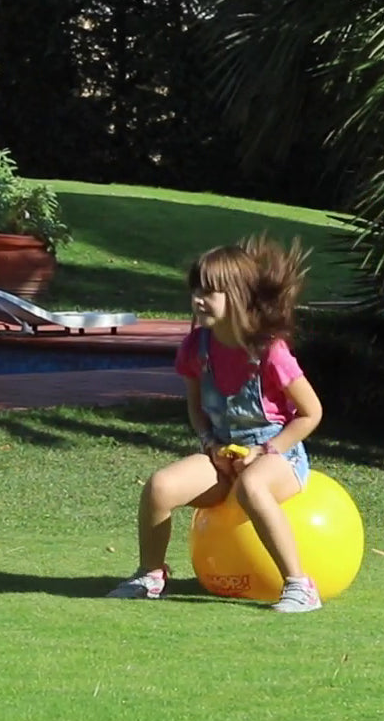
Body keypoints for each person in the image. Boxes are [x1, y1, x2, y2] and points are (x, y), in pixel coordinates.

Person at [107, 235, 324, 612]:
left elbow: (311, 413)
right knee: (160, 486)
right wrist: (210, 445)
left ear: (238, 296)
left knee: (253, 486)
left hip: (279, 456)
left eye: (210, 292)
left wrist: (265, 451)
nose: (198, 299)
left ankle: (299, 585)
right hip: (223, 452)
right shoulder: (196, 348)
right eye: (196, 289)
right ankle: (150, 574)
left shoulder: (270, 352)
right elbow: (196, 409)